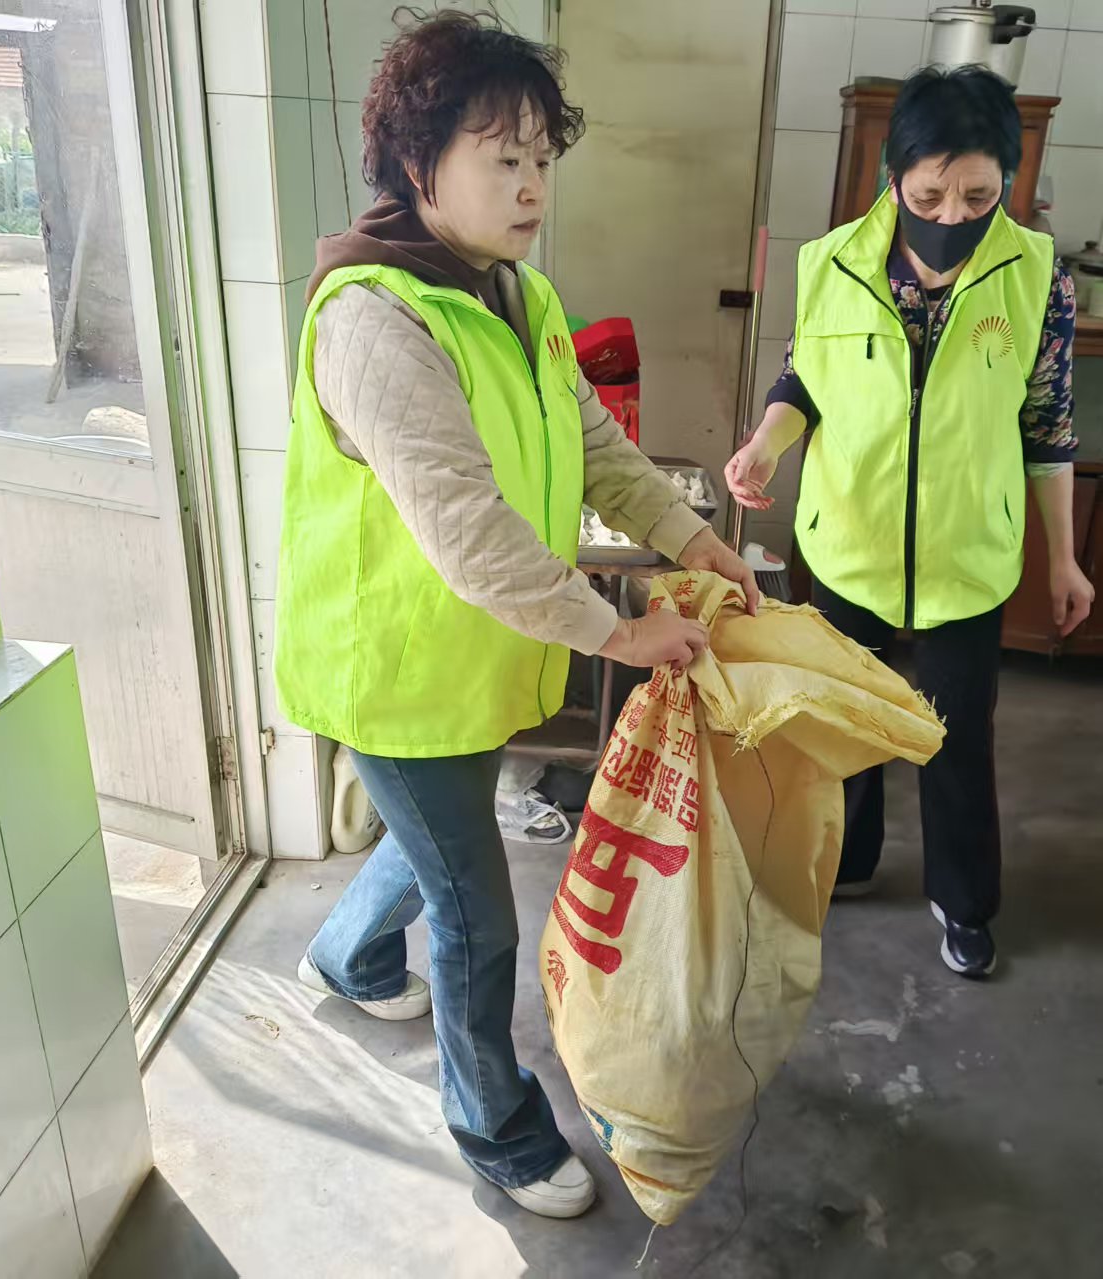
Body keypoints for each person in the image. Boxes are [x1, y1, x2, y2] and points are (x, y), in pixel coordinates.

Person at [274, 10, 758, 1220]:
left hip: (474, 657)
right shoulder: (373, 320)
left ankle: (345, 953)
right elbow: (468, 530)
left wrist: (693, 540)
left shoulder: (513, 291)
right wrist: (620, 633)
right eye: (502, 158)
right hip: (398, 670)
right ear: (416, 162)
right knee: (478, 916)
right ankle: (493, 1125)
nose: (533, 185)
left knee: (435, 843)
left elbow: (593, 445)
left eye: (542, 157)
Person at [724, 65, 1091, 981]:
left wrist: (1066, 560)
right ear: (894, 177)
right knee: (844, 720)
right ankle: (847, 860)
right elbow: (804, 379)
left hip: (967, 551)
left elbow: (1048, 425)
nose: (951, 217)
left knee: (956, 732)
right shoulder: (832, 262)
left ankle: (963, 899)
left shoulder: (1037, 277)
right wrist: (766, 444)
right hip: (849, 539)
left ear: (1008, 184)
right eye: (929, 196)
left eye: (978, 197)